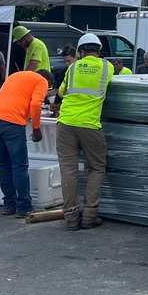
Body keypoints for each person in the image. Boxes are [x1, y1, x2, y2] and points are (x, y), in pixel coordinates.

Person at [55, 35, 113, 229]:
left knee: (68, 170)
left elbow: (62, 93)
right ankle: (89, 215)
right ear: (99, 50)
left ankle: (71, 218)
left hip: (65, 122)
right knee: (96, 167)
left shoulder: (72, 68)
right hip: (89, 124)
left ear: (80, 51)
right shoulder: (107, 67)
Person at [0, 69, 50, 218]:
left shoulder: (16, 75)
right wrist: (36, 128)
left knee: (4, 165)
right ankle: (24, 207)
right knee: (19, 166)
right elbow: (36, 104)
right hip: (12, 121)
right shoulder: (41, 81)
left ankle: (9, 204)